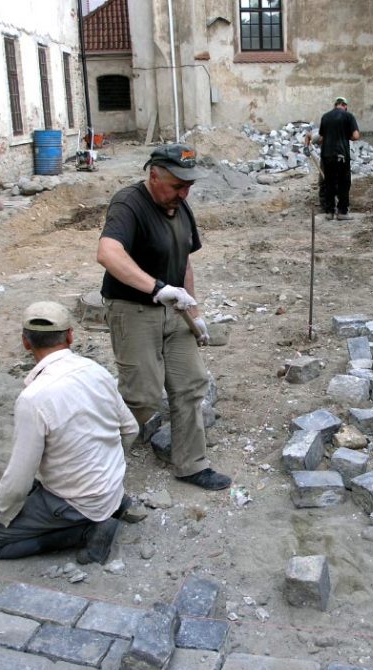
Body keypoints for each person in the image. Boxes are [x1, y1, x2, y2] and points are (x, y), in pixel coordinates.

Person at [96, 143, 231, 491]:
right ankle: (96, 467)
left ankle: (191, 464)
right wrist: (155, 288)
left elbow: (184, 260)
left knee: (190, 386)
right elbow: (108, 253)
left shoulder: (182, 208)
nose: (183, 193)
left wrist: (194, 312)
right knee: (140, 395)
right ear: (153, 175)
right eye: (176, 186)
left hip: (175, 311)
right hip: (133, 309)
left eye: (188, 186)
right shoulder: (129, 204)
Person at [0, 301, 138, 564]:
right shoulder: (97, 371)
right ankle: (109, 507)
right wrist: (107, 468)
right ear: (71, 336)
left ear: (26, 343)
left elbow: (18, 480)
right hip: (111, 488)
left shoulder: (33, 398)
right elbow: (130, 428)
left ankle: (86, 530)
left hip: (78, 501)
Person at [306, 97, 360, 221]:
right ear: (344, 105)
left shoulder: (325, 117)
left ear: (335, 105)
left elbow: (321, 138)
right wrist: (346, 136)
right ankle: (342, 212)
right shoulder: (348, 116)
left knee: (328, 183)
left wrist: (309, 141)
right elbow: (356, 136)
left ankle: (329, 212)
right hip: (341, 155)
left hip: (327, 155)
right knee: (344, 183)